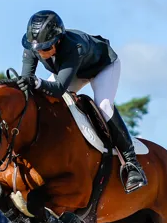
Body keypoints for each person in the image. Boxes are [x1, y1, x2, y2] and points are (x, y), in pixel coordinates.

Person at [15, 10, 147, 193]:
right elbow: (27, 82)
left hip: (102, 67)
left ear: (58, 40)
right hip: (72, 71)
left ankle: (132, 164)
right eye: (38, 49)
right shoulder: (32, 45)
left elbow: (59, 88)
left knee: (103, 105)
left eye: (46, 48)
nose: (41, 53)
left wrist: (36, 82)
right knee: (44, 103)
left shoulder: (73, 46)